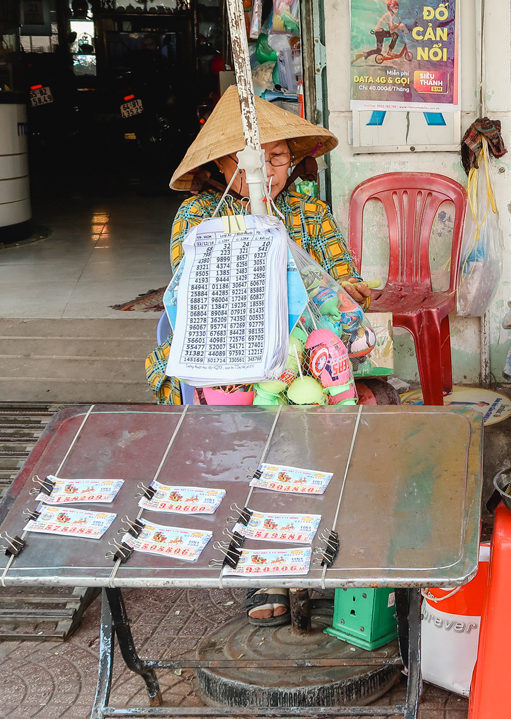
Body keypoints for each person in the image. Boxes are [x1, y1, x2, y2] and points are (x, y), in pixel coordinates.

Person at [144, 87, 376, 626]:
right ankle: (261, 567)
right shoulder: (197, 214)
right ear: (216, 165)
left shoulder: (306, 208)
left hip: (308, 356)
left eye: (277, 158)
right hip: (229, 357)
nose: (266, 170)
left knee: (326, 433)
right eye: (250, 158)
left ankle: (322, 547)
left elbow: (338, 271)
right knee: (247, 447)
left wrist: (345, 289)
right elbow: (195, 290)